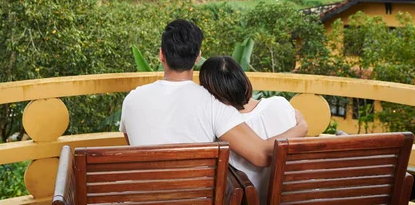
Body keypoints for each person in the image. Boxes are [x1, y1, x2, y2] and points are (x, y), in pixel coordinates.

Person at [119, 19, 307, 168]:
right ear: (198, 57)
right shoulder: (212, 103)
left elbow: (134, 146)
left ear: (161, 55)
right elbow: (262, 155)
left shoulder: (131, 100)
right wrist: (301, 127)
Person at [200, 55, 300, 204]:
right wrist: (303, 126)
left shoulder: (226, 126)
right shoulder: (281, 104)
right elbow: (301, 121)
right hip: (294, 198)